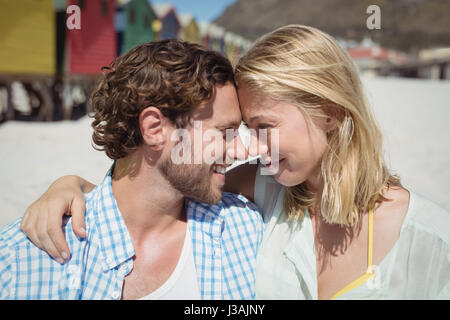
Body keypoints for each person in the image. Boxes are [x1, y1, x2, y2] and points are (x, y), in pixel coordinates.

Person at [19, 25, 450, 300]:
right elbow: (157, 182)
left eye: (262, 125)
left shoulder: (431, 239)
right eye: (239, 129)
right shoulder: (265, 187)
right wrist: (72, 184)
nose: (248, 146)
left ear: (330, 113)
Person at [0, 40, 264, 300]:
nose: (241, 152)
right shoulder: (19, 263)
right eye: (224, 132)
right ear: (154, 129)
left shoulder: (246, 230)